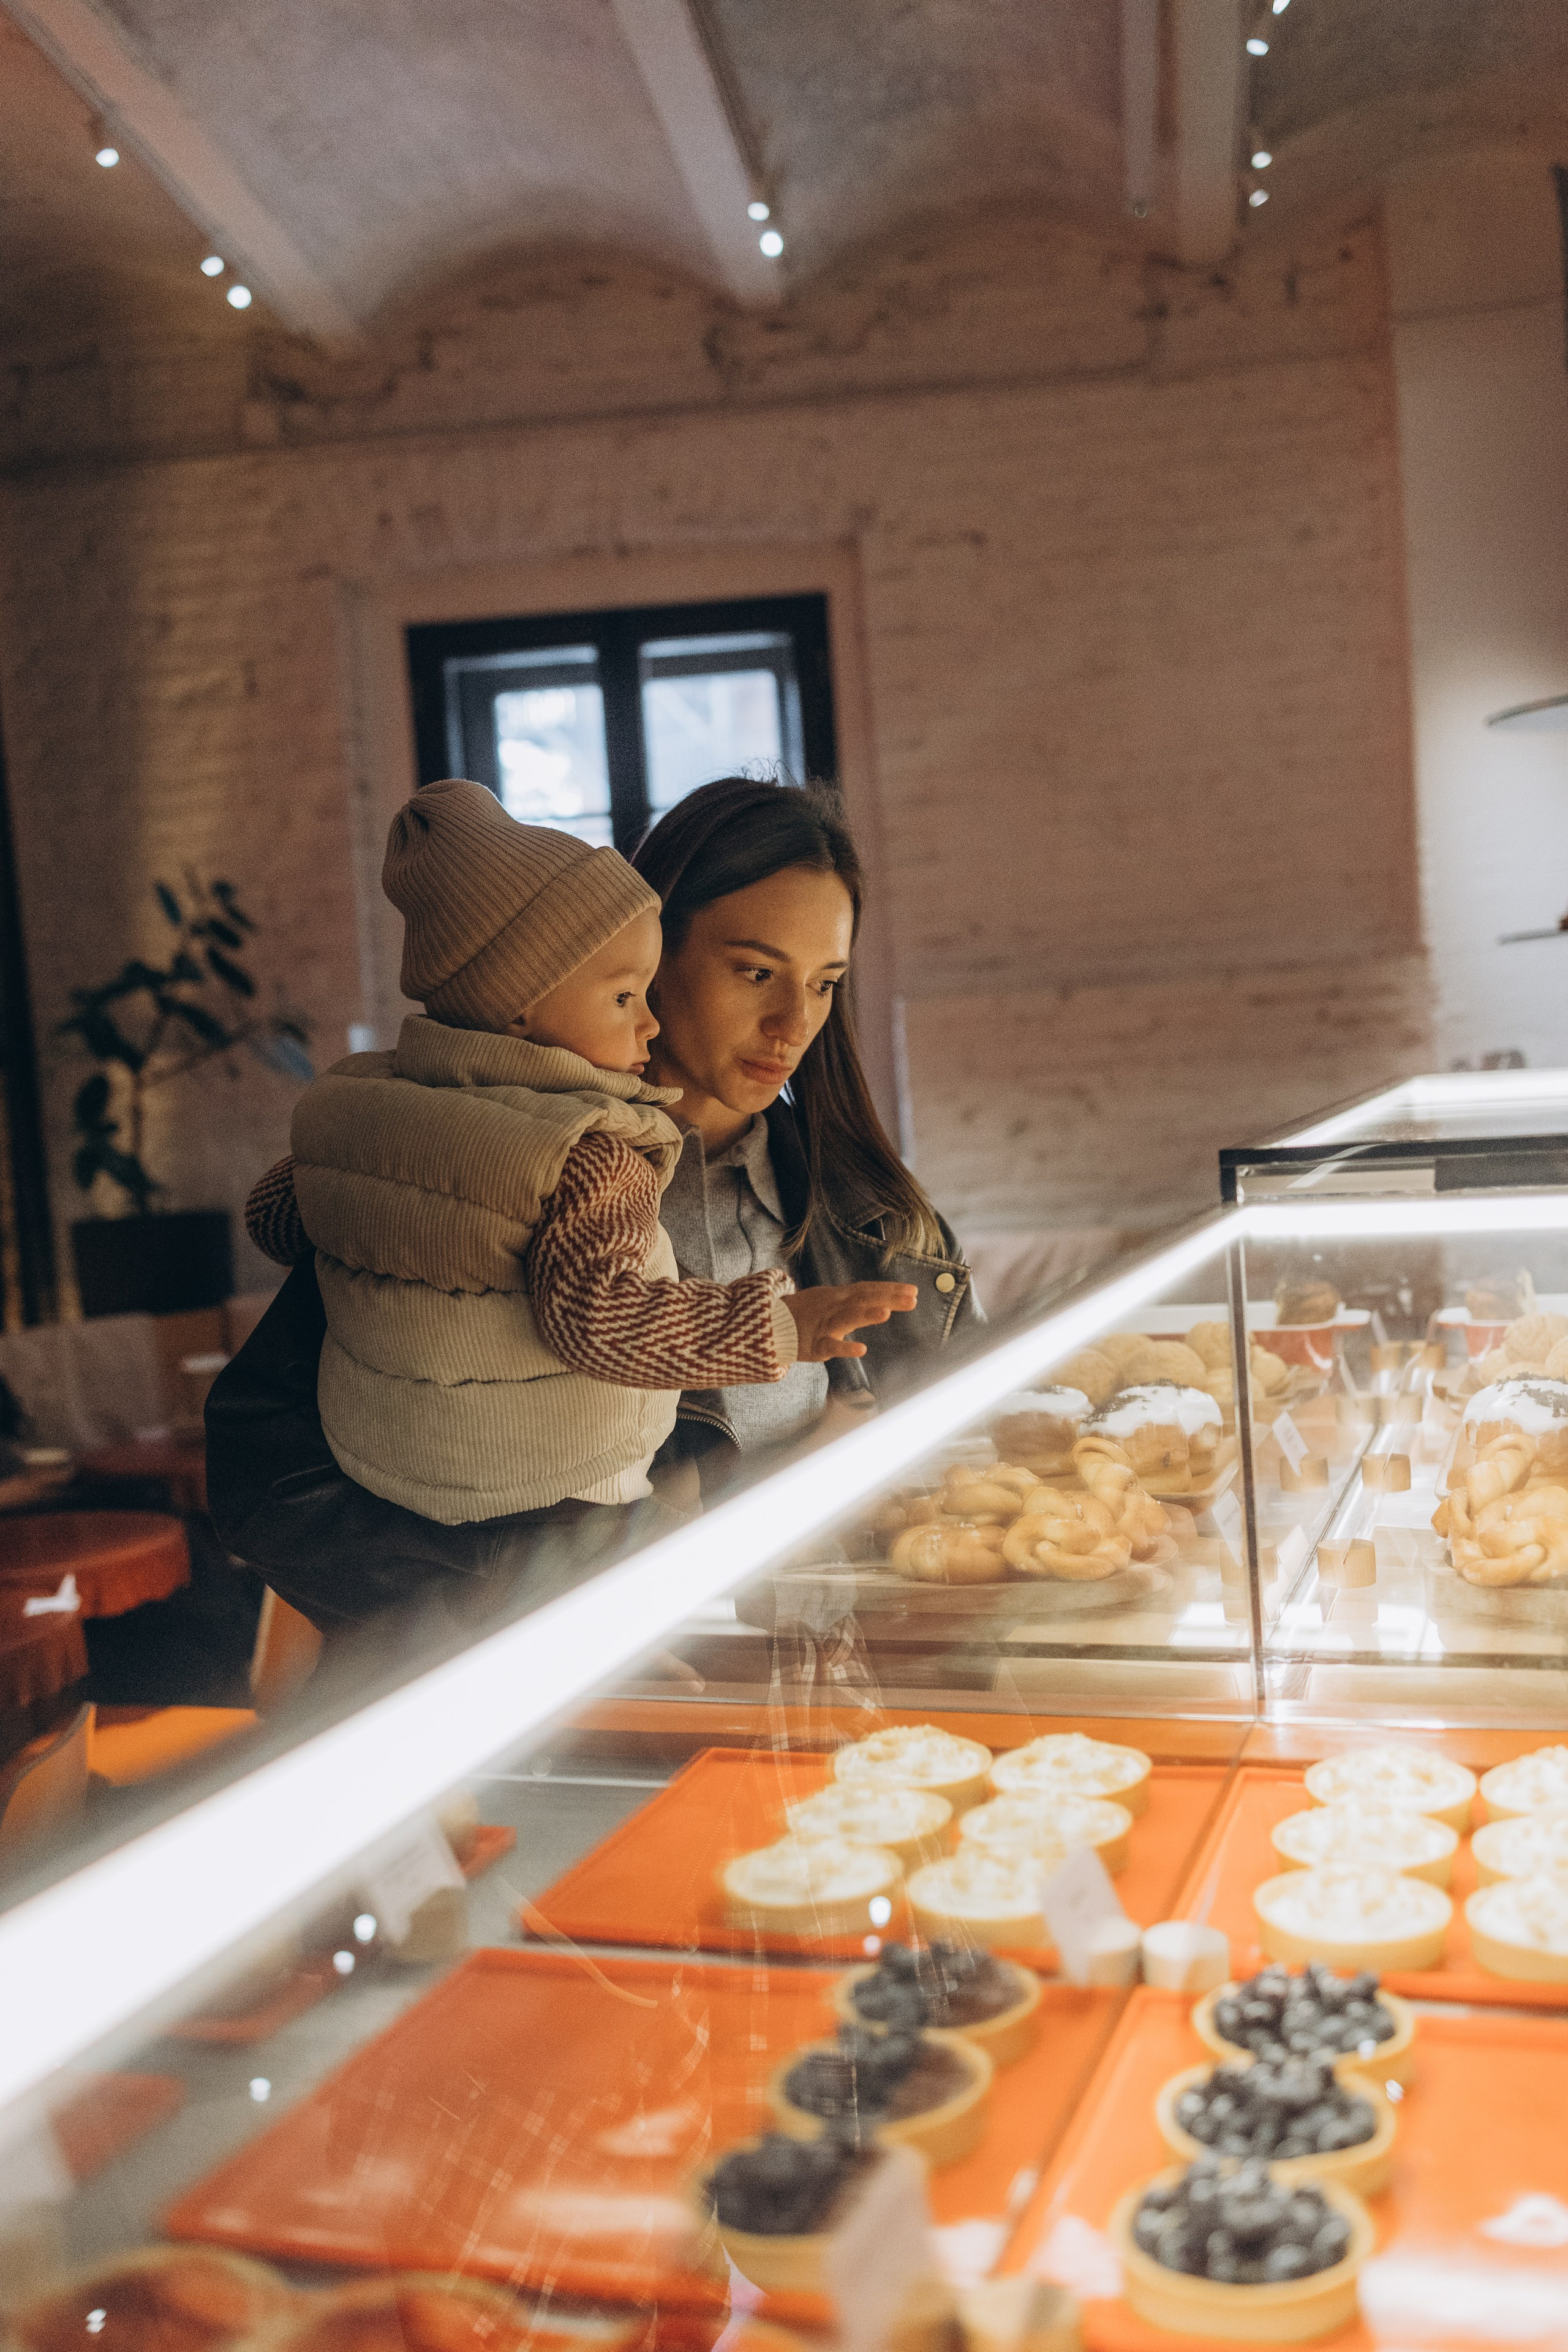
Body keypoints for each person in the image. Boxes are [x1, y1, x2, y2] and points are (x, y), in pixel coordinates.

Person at [209, 775, 974, 1629]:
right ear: (649, 955)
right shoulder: (473, 1177)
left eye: (825, 982)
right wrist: (570, 1594)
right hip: (596, 1712)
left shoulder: (876, 1219)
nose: (795, 1021)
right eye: (757, 971)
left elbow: (976, 1466)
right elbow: (274, 1490)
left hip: (842, 1694)